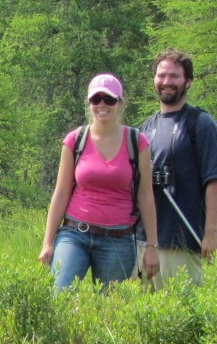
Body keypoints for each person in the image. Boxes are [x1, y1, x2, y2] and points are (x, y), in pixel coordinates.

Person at [39, 74, 160, 288]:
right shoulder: (75, 140)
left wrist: (151, 246)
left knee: (109, 311)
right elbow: (61, 192)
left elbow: (145, 195)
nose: (102, 104)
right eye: (96, 99)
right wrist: (48, 243)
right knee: (60, 295)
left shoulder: (137, 142)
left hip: (118, 239)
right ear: (89, 103)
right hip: (74, 233)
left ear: (119, 103)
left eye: (109, 99)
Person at [139, 50, 217, 286]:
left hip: (182, 242)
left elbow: (215, 180)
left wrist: (211, 232)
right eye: (162, 75)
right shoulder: (145, 128)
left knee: (182, 314)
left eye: (175, 76)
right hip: (144, 244)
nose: (167, 82)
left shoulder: (200, 124)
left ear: (188, 81)